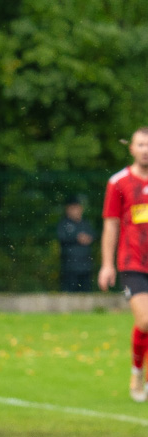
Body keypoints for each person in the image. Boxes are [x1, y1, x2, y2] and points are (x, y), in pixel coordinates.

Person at [99, 127, 148, 403]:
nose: (145, 150)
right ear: (131, 148)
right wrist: (107, 265)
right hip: (133, 262)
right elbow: (111, 224)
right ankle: (136, 371)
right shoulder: (118, 183)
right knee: (145, 319)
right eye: (141, 144)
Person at [57, 195, 95, 292]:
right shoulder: (64, 224)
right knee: (70, 291)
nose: (76, 211)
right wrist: (76, 238)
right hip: (70, 267)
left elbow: (92, 237)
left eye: (78, 208)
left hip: (86, 266)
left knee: (85, 291)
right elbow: (62, 238)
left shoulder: (86, 224)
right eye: (73, 208)